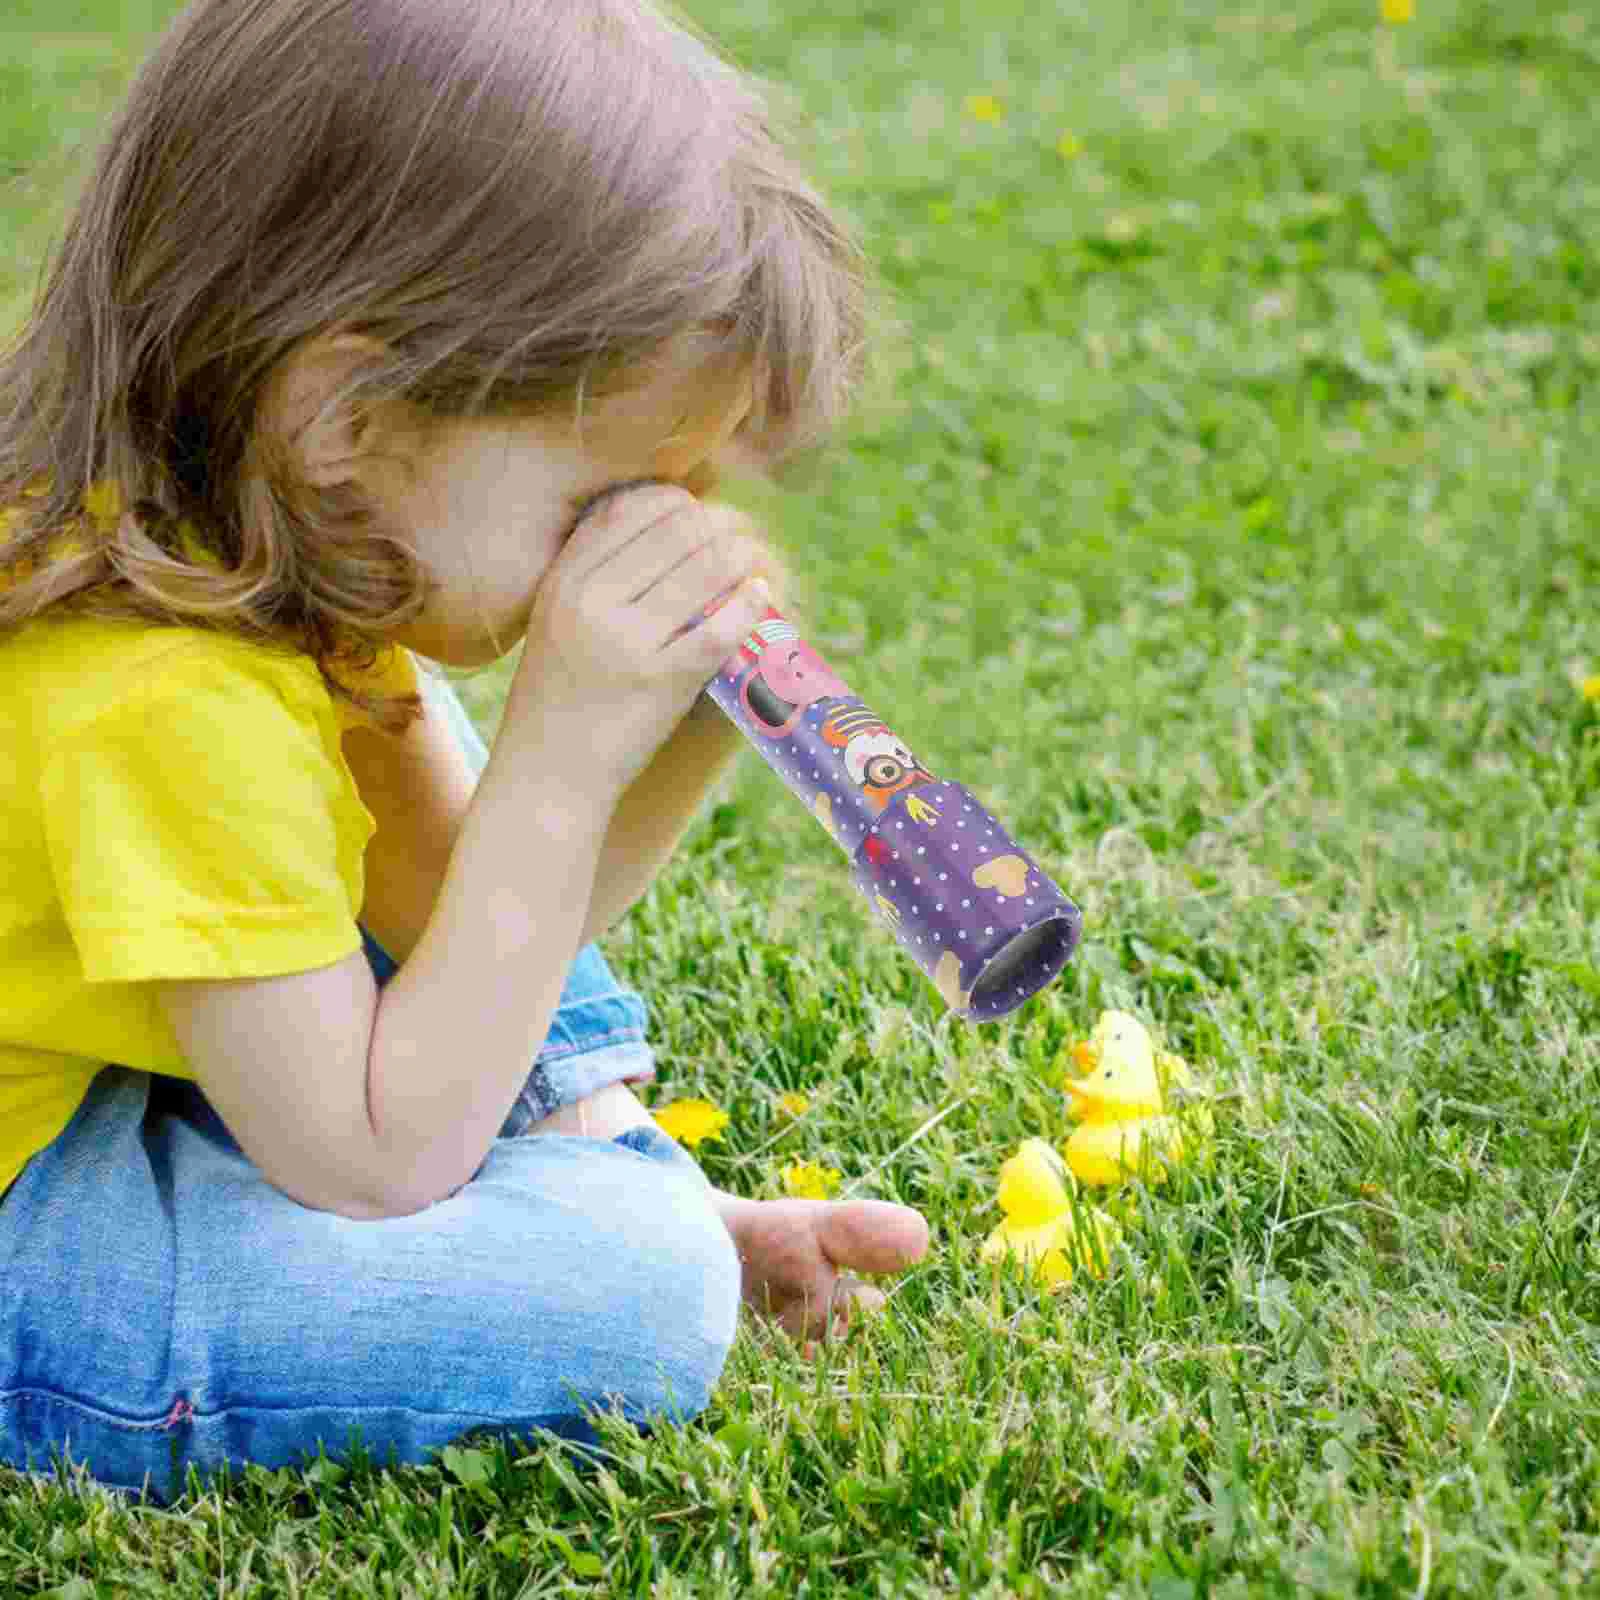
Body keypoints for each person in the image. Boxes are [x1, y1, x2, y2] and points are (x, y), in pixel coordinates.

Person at [0, 0, 929, 1502]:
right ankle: (602, 1208)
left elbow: (458, 930)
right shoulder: (160, 699)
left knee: (449, 788)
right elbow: (371, 1164)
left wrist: (681, 726)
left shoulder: (274, 547)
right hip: (24, 1241)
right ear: (349, 419)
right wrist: (560, 758)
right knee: (634, 1299)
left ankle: (599, 1174)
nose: (655, 538)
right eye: (610, 493)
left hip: (123, 1089)